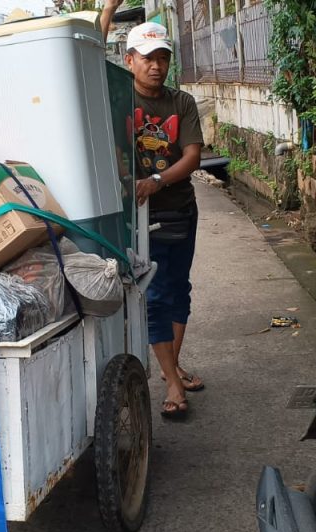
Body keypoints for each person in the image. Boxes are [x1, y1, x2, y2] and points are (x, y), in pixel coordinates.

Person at [102, 9, 205, 419]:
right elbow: (87, 58)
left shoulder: (182, 101)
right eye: (147, 57)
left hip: (178, 209)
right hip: (139, 219)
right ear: (129, 61)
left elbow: (193, 156)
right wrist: (108, 10)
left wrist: (156, 181)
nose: (156, 65)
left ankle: (170, 367)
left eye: (162, 57)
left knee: (179, 289)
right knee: (155, 297)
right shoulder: (118, 96)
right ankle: (174, 382)